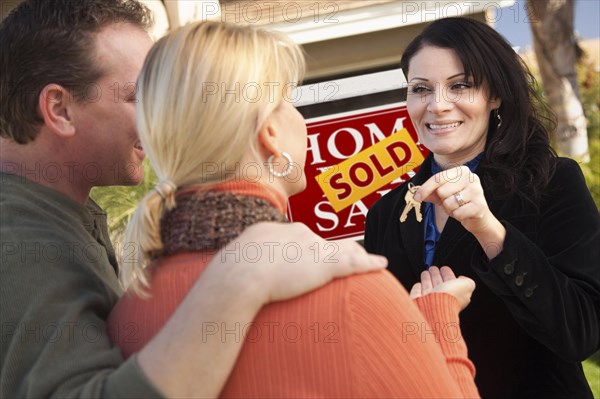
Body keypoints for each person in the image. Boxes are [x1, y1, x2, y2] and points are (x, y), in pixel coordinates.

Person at [0, 1, 390, 398]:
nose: (159, 118)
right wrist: (241, 276)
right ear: (59, 109)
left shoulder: (52, 213)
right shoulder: (17, 238)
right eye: (140, 97)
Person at [107, 20, 480, 398]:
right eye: (289, 102)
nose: (299, 120)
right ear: (269, 134)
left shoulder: (126, 312)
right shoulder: (349, 287)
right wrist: (437, 320)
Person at [365, 17, 600, 399]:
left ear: (495, 95)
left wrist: (491, 232)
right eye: (420, 89)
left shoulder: (551, 182)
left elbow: (582, 333)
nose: (437, 105)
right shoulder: (386, 214)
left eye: (460, 85)